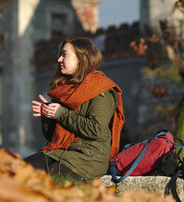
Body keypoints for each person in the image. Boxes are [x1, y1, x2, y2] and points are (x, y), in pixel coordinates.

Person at [25, 37, 125, 182]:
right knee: (17, 171)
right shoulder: (64, 89)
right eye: (60, 54)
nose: (59, 59)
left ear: (82, 58)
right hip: (59, 153)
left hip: (88, 158)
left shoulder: (100, 89)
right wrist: (48, 114)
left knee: (51, 183)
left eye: (64, 54)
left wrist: (60, 113)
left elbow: (95, 129)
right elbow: (51, 137)